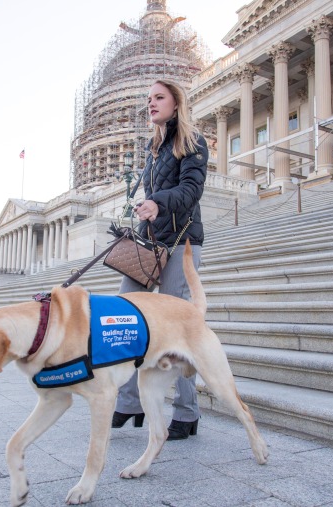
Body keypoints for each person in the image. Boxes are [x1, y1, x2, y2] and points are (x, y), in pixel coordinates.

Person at [111, 79, 208, 440]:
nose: (150, 103)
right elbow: (154, 198)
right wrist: (143, 212)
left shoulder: (192, 141)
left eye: (158, 97)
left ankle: (186, 411)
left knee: (177, 327)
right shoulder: (152, 150)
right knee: (125, 311)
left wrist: (158, 201)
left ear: (176, 102)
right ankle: (129, 401)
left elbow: (191, 190)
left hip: (183, 242)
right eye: (148, 98)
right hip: (152, 243)